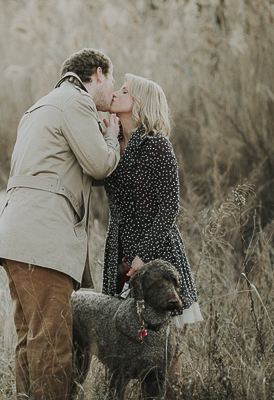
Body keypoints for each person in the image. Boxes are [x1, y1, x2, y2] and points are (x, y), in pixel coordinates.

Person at [0, 49, 120, 399]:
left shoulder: (40, 106)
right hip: (42, 241)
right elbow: (101, 165)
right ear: (99, 74)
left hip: (15, 237)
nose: (114, 92)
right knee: (54, 345)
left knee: (31, 339)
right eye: (113, 81)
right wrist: (112, 135)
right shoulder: (75, 103)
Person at [102, 73, 203, 396]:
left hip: (156, 251)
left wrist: (142, 257)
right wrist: (107, 136)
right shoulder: (113, 142)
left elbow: (169, 208)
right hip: (118, 248)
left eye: (125, 90)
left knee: (164, 341)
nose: (116, 93)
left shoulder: (156, 144)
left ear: (141, 102)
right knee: (122, 332)